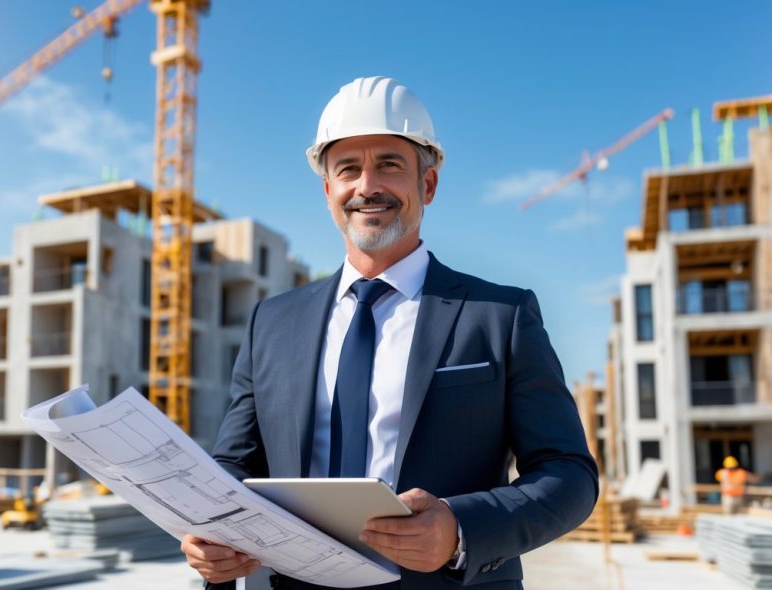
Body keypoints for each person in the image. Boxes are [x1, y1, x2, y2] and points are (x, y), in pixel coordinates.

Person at [181, 77, 599, 590]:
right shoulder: (271, 321)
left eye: (389, 165)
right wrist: (212, 535)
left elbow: (569, 475)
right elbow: (235, 463)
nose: (367, 186)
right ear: (328, 191)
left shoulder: (500, 315)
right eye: (348, 169)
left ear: (428, 185)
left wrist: (460, 529)